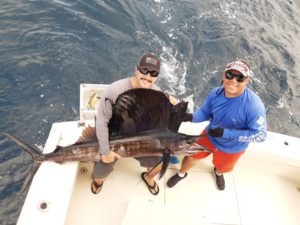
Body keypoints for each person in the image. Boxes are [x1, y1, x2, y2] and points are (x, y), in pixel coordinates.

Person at [167, 60, 267, 191]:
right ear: (223, 76)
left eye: (240, 77)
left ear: (247, 81)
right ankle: (181, 174)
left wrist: (226, 133)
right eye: (230, 75)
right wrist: (190, 117)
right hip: (209, 136)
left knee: (222, 167)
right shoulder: (215, 93)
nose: (233, 80)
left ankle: (218, 172)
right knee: (191, 157)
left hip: (232, 148)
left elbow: (260, 135)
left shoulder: (254, 105)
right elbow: (205, 112)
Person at [91, 53, 178, 195]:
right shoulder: (114, 90)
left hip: (140, 142)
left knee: (160, 163)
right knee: (99, 177)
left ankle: (148, 178)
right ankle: (97, 182)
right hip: (112, 139)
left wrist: (173, 106)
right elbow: (101, 122)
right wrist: (106, 152)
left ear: (157, 76)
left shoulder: (158, 95)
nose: (148, 77)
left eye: (153, 73)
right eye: (144, 71)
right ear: (136, 69)